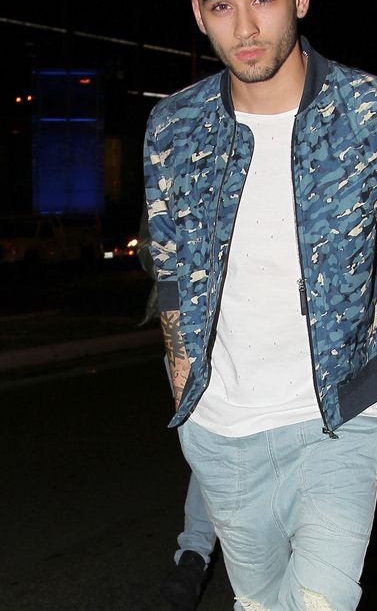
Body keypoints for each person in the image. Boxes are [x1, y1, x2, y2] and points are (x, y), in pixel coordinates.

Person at [143, 0, 377, 609]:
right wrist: (183, 375)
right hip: (221, 434)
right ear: (199, 14)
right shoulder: (173, 128)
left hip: (339, 426)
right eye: (222, 6)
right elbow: (169, 268)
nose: (245, 28)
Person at [136, 204, 216, 611]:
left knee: (227, 449)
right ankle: (194, 556)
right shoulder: (174, 167)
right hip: (189, 326)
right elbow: (150, 246)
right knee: (210, 449)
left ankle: (196, 555)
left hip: (263, 323)